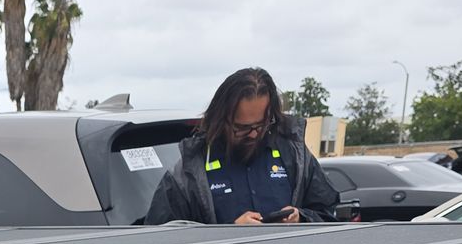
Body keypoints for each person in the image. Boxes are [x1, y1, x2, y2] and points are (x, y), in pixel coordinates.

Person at [145, 68, 340, 225]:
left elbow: (329, 215)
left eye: (261, 125)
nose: (254, 134)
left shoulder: (295, 156)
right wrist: (230, 231)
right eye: (243, 128)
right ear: (220, 120)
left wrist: (302, 218)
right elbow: (162, 242)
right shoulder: (188, 173)